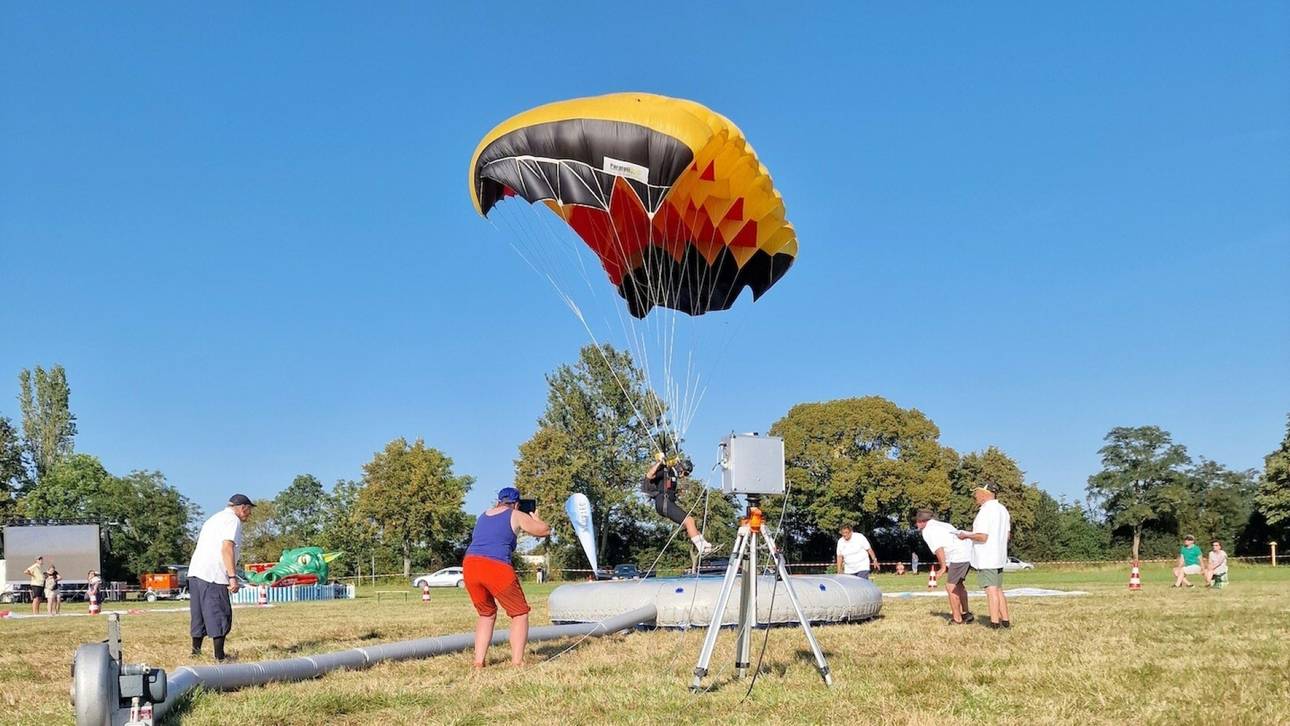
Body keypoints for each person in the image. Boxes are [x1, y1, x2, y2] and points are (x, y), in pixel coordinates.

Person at [464, 487, 551, 668]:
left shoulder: (483, 515)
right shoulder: (515, 514)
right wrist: (535, 518)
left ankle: (478, 662)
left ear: (498, 502)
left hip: (470, 564)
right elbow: (544, 531)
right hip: (495, 565)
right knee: (519, 613)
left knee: (486, 614)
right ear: (517, 504)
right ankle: (517, 662)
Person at [188, 493, 254, 662]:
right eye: (249, 510)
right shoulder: (233, 520)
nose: (249, 515)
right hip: (213, 574)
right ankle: (220, 656)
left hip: (195, 571)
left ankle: (195, 652)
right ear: (242, 508)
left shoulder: (213, 519)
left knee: (199, 614)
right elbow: (227, 548)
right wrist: (232, 576)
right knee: (219, 613)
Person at [958, 483, 1012, 629]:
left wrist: (966, 535)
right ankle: (1005, 620)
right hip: (999, 556)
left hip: (988, 556)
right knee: (999, 589)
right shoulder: (1003, 510)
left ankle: (994, 622)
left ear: (985, 494)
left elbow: (982, 537)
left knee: (991, 590)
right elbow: (1007, 535)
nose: (975, 496)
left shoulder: (986, 511)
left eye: (977, 493)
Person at [643, 454, 715, 555]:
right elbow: (649, 475)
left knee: (690, 522)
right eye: (685, 474)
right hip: (663, 502)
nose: (684, 477)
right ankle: (701, 547)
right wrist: (659, 462)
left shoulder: (672, 474)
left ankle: (704, 544)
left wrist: (673, 461)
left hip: (667, 503)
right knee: (689, 521)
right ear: (681, 469)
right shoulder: (666, 471)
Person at [916, 509, 975, 625]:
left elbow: (939, 548)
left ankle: (957, 619)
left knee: (950, 587)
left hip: (958, 556)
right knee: (959, 585)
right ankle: (966, 614)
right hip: (968, 553)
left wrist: (943, 568)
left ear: (922, 521)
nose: (916, 524)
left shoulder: (928, 530)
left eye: (917, 522)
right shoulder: (944, 525)